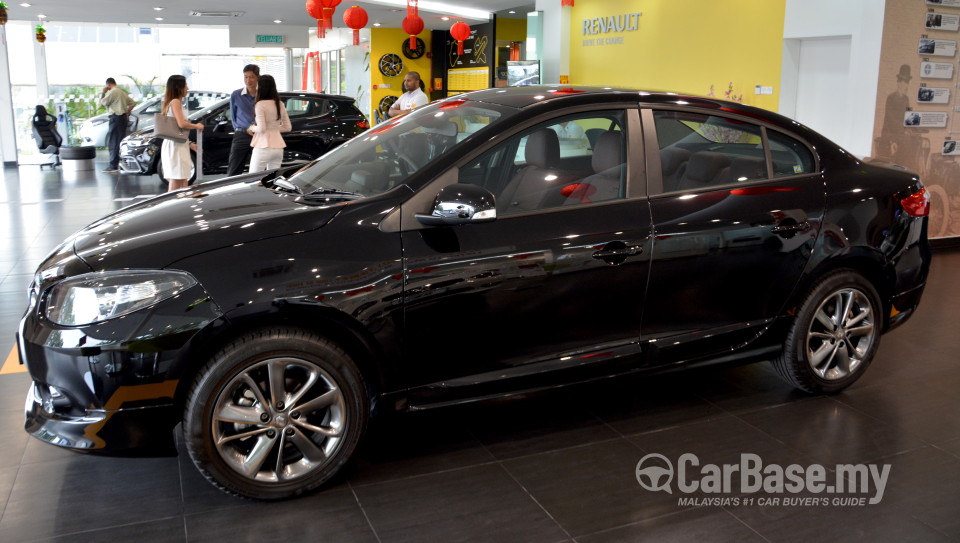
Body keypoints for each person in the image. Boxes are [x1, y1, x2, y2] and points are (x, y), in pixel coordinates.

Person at [160, 75, 204, 192]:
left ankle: (182, 206)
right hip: (176, 146)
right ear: (178, 87)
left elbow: (175, 129)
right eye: (185, 85)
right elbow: (182, 124)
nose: (187, 88)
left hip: (177, 144)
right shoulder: (175, 102)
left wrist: (190, 144)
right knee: (177, 179)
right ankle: (171, 207)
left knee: (183, 179)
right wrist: (197, 126)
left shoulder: (170, 102)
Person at [247, 75, 292, 172]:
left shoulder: (260, 104)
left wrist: (251, 127)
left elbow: (261, 129)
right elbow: (287, 127)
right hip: (278, 148)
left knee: (252, 179)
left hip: (263, 146)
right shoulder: (280, 103)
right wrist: (273, 128)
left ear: (261, 87)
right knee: (272, 181)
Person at [227, 64, 260, 176]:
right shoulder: (236, 95)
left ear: (258, 78)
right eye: (246, 77)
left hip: (259, 135)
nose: (248, 80)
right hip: (241, 135)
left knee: (258, 169)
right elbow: (233, 116)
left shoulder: (263, 95)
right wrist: (242, 128)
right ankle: (230, 192)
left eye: (251, 77)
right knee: (234, 169)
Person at [99, 77, 136, 173]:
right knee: (119, 141)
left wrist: (103, 92)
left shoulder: (113, 92)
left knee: (113, 142)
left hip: (115, 118)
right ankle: (120, 163)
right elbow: (132, 103)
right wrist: (126, 112)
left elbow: (102, 103)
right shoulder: (121, 92)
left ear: (108, 85)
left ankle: (113, 166)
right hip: (122, 118)